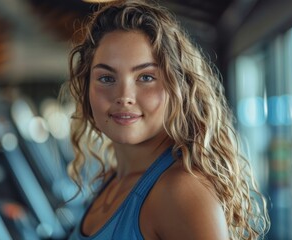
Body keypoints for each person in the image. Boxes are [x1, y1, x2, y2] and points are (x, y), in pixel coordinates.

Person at [63, 0, 270, 239]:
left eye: (146, 77)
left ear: (177, 87)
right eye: (107, 78)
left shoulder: (181, 192)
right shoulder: (113, 177)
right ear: (87, 87)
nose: (124, 96)